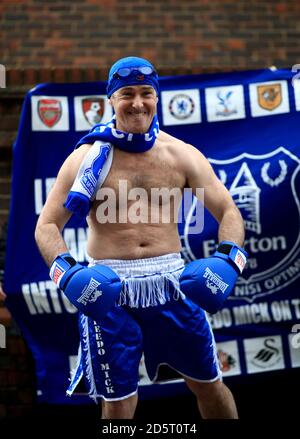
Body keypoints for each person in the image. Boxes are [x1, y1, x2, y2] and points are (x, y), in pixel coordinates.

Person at [35, 56, 247, 419]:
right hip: (108, 288)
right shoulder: (85, 159)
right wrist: (66, 273)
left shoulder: (181, 154)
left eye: (146, 93)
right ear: (111, 100)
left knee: (209, 385)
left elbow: (229, 211)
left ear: (157, 97)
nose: (137, 102)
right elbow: (46, 226)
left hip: (172, 283)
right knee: (118, 404)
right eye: (127, 93)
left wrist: (230, 259)